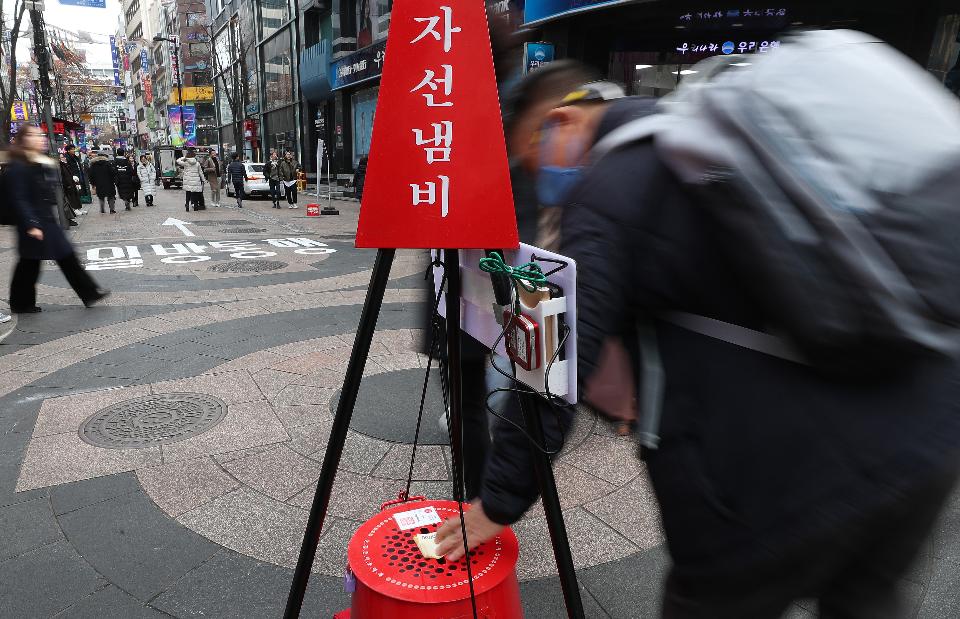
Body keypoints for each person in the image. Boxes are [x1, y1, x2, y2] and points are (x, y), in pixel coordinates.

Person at [527, 84, 960, 616]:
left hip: (787, 480)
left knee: (713, 597)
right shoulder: (715, 142)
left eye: (537, 144)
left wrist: (497, 502)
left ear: (564, 120)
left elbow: (561, 355)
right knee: (867, 596)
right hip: (931, 425)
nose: (538, 166)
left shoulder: (612, 183)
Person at [6, 125, 109, 313]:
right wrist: (31, 224)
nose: (39, 139)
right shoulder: (19, 166)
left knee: (45, 259)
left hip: (44, 220)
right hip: (34, 222)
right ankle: (21, 303)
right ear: (23, 140)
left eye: (40, 135)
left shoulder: (36, 162)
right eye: (33, 135)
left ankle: (22, 302)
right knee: (36, 261)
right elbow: (19, 198)